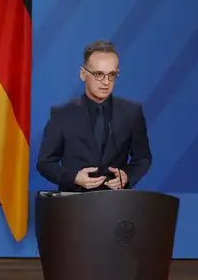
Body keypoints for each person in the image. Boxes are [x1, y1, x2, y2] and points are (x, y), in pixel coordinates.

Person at [37, 40, 151, 192]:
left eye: (112, 75)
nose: (106, 82)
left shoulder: (131, 112)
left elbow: (143, 158)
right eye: (99, 74)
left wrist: (127, 175)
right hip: (73, 201)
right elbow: (45, 163)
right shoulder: (62, 114)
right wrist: (74, 178)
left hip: (116, 200)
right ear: (83, 74)